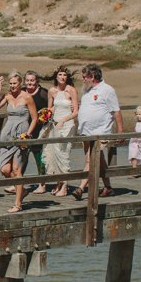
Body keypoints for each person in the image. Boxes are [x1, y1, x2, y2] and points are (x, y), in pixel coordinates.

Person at [74, 63, 123, 199]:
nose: (83, 79)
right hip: (86, 132)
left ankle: (80, 188)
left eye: (85, 77)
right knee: (98, 160)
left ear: (93, 76)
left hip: (100, 132)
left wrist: (120, 131)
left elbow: (116, 111)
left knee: (91, 161)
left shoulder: (107, 90)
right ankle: (108, 187)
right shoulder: (86, 90)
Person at [0, 71, 38, 213]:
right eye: (10, 83)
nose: (12, 86)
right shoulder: (7, 96)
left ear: (20, 83)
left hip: (21, 135)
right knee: (5, 169)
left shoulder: (27, 97)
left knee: (17, 170)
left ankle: (18, 204)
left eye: (15, 83)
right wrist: (0, 87)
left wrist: (27, 134)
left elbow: (35, 118)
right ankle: (21, 189)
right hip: (7, 135)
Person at [45, 66, 80, 197]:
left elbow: (76, 111)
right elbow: (51, 109)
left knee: (64, 153)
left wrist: (64, 120)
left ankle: (65, 186)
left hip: (68, 124)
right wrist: (45, 114)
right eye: (60, 75)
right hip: (55, 125)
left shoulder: (71, 90)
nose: (62, 77)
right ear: (56, 76)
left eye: (64, 75)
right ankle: (59, 182)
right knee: (54, 153)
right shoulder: (52, 91)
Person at [23, 70, 50, 188]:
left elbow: (51, 108)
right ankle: (18, 183)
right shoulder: (22, 92)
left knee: (39, 156)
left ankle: (42, 183)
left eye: (32, 80)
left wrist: (45, 115)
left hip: (39, 128)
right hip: (24, 128)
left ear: (37, 81)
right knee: (22, 156)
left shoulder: (43, 93)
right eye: (28, 80)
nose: (30, 83)